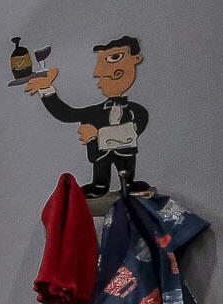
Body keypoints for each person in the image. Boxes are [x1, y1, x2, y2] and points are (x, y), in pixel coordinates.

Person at [22, 37, 152, 197]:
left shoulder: (136, 111)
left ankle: (128, 184)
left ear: (136, 59)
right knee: (100, 175)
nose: (99, 73)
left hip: (125, 156)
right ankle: (99, 185)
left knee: (126, 172)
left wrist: (96, 136)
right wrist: (47, 90)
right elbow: (67, 114)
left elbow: (133, 130)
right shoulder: (94, 112)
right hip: (99, 156)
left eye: (114, 58)